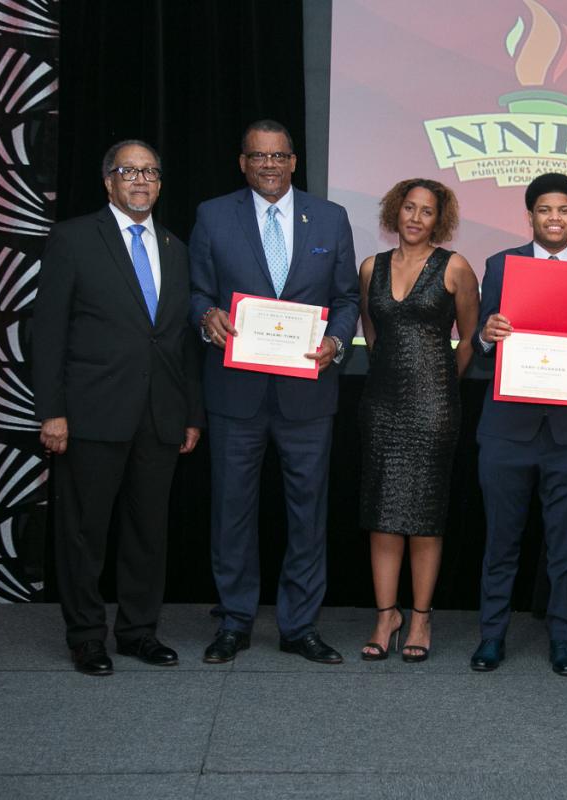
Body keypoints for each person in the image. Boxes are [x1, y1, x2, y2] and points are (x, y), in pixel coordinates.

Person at [191, 120, 360, 665]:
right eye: (258, 156)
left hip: (307, 394)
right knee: (232, 511)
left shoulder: (330, 218)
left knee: (308, 514)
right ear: (243, 163)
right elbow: (196, 292)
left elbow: (347, 298)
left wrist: (337, 340)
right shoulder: (213, 215)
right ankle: (234, 621)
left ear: (293, 162)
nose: (269, 165)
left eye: (279, 156)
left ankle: (300, 625)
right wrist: (206, 316)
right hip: (235, 393)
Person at [33, 139, 203, 675]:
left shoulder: (176, 247)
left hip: (160, 415)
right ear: (108, 181)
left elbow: (179, 342)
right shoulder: (73, 238)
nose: (141, 180)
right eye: (129, 171)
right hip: (91, 414)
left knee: (148, 533)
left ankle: (138, 632)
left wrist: (191, 413)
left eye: (150, 171)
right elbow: (47, 332)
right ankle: (87, 636)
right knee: (84, 533)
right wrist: (51, 410)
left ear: (160, 183)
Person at [470, 172, 567, 677]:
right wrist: (487, 334)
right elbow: (482, 334)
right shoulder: (500, 265)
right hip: (507, 428)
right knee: (501, 542)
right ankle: (491, 637)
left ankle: (561, 640)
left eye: (564, 210)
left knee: (563, 546)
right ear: (530, 215)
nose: (555, 218)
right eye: (545, 210)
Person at [357, 179, 479, 662]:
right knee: (382, 513)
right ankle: (386, 615)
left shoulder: (456, 267)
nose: (415, 217)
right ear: (396, 211)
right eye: (409, 208)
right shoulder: (371, 267)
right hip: (380, 405)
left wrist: (441, 382)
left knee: (425, 517)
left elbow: (468, 338)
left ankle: (421, 618)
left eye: (427, 211)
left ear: (438, 220)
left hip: (434, 407)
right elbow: (371, 331)